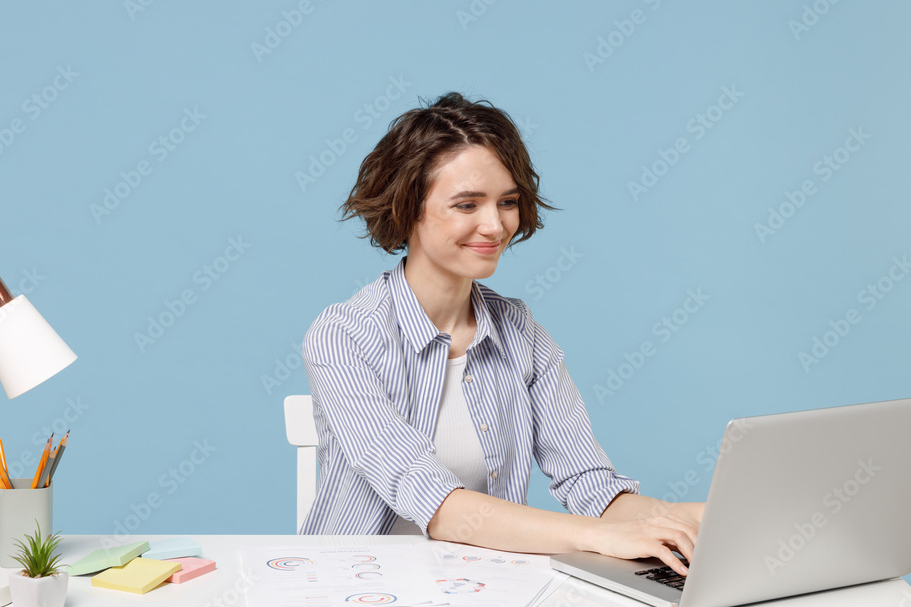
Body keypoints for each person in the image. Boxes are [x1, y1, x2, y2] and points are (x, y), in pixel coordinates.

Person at [300, 92, 703, 575]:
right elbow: (435, 502)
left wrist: (700, 518)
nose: (495, 225)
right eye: (467, 204)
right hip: (356, 593)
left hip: (480, 587)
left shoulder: (519, 331)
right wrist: (601, 537)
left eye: (507, 202)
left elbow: (591, 486)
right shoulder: (342, 336)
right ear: (408, 208)